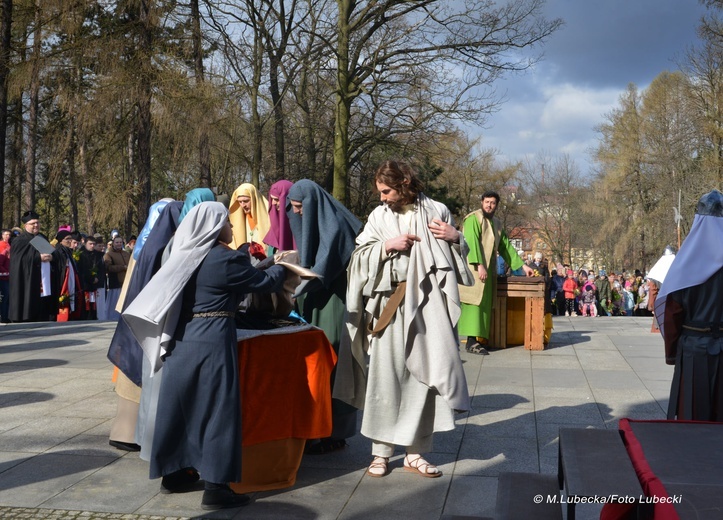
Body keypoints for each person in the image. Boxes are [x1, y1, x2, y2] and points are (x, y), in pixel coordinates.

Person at [123, 201, 287, 509]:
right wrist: (283, 263)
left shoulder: (182, 254)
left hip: (181, 339)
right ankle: (216, 487)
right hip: (212, 338)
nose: (231, 226)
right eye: (227, 220)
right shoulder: (223, 259)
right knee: (218, 410)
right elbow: (265, 283)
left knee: (178, 407)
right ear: (215, 225)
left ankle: (172, 473)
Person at [334, 160, 474, 479]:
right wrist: (386, 246)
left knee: (422, 380)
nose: (382, 197)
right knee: (386, 377)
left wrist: (456, 238)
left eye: (386, 191)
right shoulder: (379, 217)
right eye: (380, 192)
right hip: (390, 304)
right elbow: (357, 259)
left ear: (404, 183)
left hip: (427, 305)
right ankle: (381, 452)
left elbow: (457, 261)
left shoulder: (437, 210)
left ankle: (415, 453)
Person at [286, 179, 362, 454]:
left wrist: (290, 281)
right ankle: (312, 427)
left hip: (333, 303)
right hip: (313, 300)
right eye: (292, 208)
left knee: (333, 361)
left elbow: (324, 268)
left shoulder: (336, 227)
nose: (296, 214)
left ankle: (335, 432)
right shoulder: (317, 220)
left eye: (299, 207)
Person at [654, 189, 723, 422]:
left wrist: (672, 353)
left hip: (694, 349)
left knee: (693, 416)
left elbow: (672, 313)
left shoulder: (685, 265)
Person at [458, 191, 533, 354]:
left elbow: (506, 247)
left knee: (485, 304)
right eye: (486, 202)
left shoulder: (496, 224)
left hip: (488, 271)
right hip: (474, 270)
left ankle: (479, 339)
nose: (489, 205)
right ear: (481, 202)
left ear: (496, 205)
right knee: (474, 303)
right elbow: (471, 242)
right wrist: (479, 265)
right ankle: (471, 341)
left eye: (492, 203)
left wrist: (522, 266)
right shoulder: (473, 218)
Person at [9, 210, 59, 322]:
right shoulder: (19, 240)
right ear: (26, 225)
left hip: (44, 281)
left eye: (37, 223)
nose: (36, 225)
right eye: (33, 223)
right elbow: (18, 260)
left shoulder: (41, 238)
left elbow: (53, 254)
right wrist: (38, 258)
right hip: (28, 282)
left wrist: (52, 258)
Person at [229, 183, 270, 249]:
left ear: (254, 199)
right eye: (240, 202)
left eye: (246, 201)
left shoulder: (269, 216)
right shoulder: (241, 219)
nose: (243, 205)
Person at [54, 230, 83, 321]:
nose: (70, 241)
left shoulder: (67, 251)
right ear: (61, 240)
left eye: (71, 238)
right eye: (67, 239)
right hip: (63, 282)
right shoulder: (58, 251)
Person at [263, 179, 296, 253]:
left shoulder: (298, 226)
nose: (273, 203)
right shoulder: (274, 230)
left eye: (277, 199)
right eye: (272, 199)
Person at [104, 236, 130, 321]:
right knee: (115, 305)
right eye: (117, 242)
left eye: (120, 242)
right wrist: (122, 267)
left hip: (126, 283)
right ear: (113, 243)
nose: (119, 244)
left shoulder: (126, 254)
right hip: (116, 283)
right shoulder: (108, 254)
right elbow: (108, 268)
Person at [0, 229, 10, 323]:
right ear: (2, 235)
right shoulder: (2, 246)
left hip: (8, 277)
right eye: (6, 234)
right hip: (3, 277)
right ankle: (3, 317)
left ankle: (5, 316)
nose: (8, 236)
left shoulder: (9, 246)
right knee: (4, 297)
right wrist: (6, 272)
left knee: (7, 298)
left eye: (9, 235)